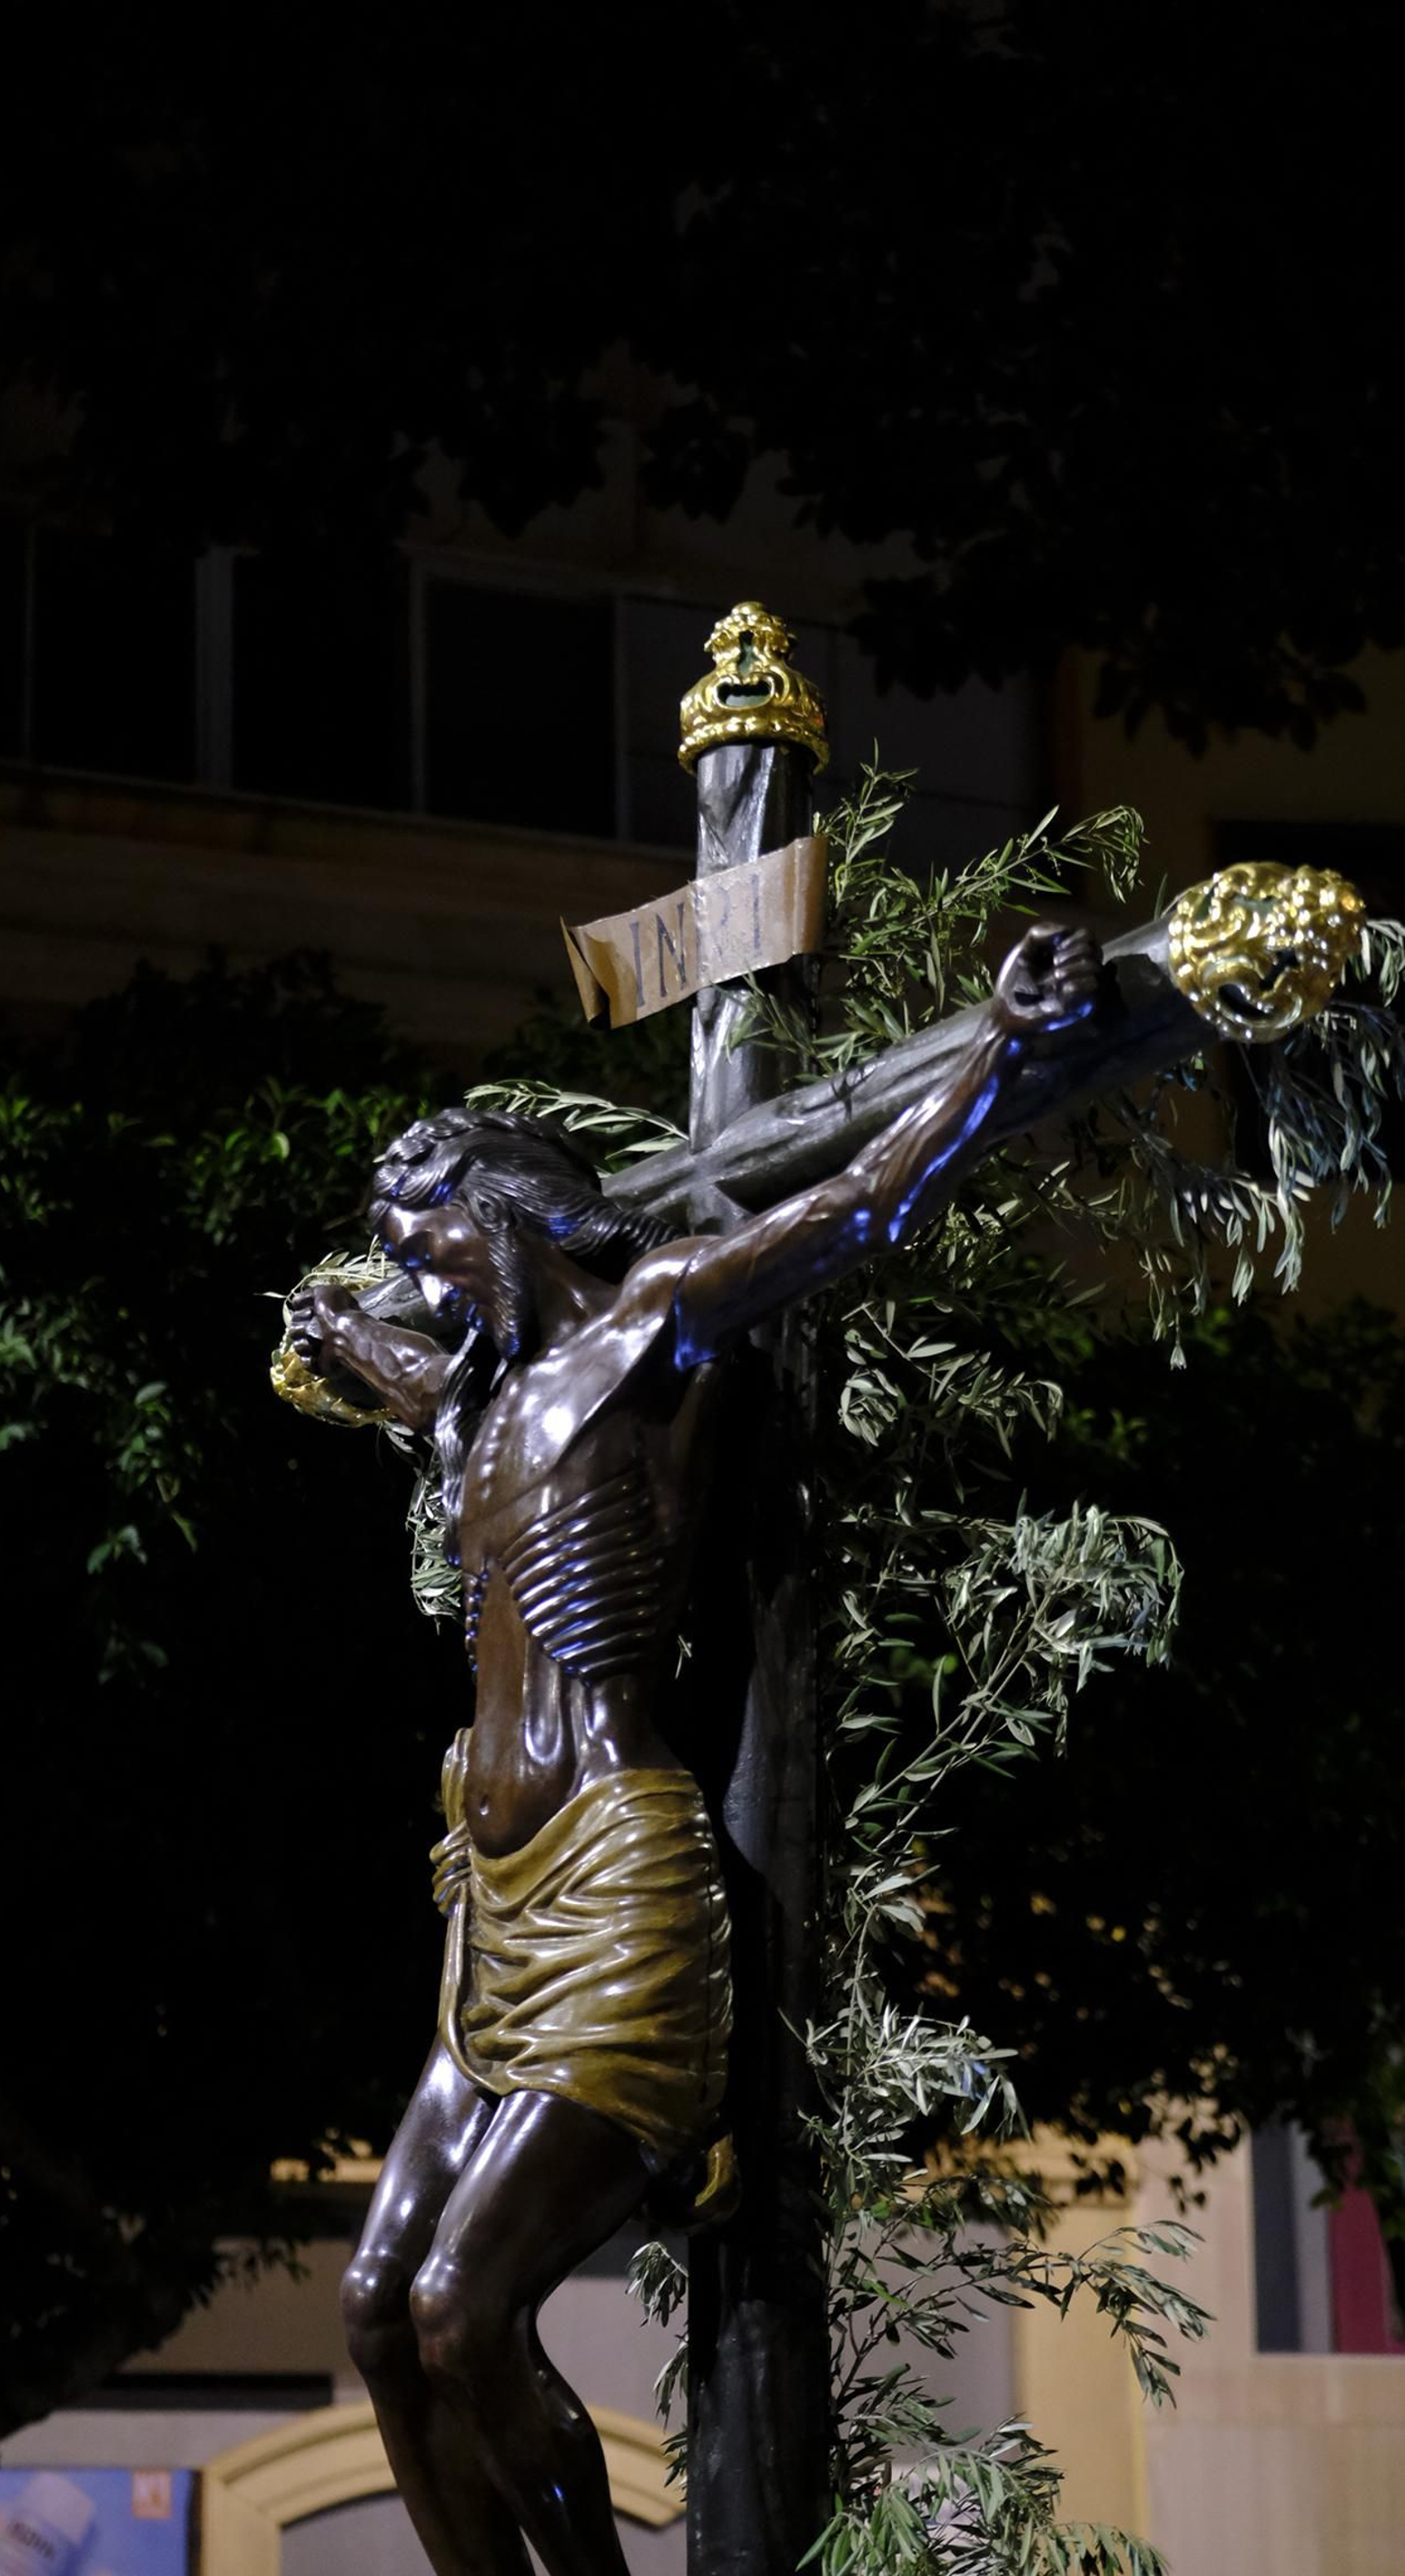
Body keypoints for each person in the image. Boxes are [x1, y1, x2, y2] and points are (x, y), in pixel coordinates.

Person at [280, 922, 1099, 2576]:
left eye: (421, 1240)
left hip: (613, 1873)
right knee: (375, 2310)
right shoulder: (477, 1404)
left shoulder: (650, 1324)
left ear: (501, 1211)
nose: (413, 1281)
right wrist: (331, 1337)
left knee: (462, 2306)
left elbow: (851, 1205)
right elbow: (394, 1378)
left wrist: (1003, 1052)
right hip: (489, 1903)